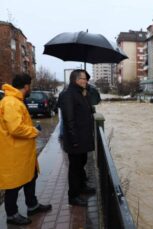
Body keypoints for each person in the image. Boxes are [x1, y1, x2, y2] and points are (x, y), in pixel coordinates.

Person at [0, 74, 52, 226]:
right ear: (26, 86)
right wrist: (34, 131)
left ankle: (33, 206)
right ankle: (11, 214)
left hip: (22, 151)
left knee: (31, 177)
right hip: (13, 153)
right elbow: (15, 128)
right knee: (13, 185)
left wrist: (31, 128)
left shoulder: (15, 101)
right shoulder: (11, 103)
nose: (31, 88)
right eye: (30, 85)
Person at [60, 69, 95, 207]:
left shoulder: (82, 93)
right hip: (76, 140)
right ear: (75, 80)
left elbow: (85, 111)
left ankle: (82, 187)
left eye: (86, 79)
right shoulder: (68, 95)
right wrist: (74, 140)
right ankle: (73, 196)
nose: (86, 81)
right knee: (74, 168)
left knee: (82, 163)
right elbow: (69, 120)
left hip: (83, 138)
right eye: (83, 78)